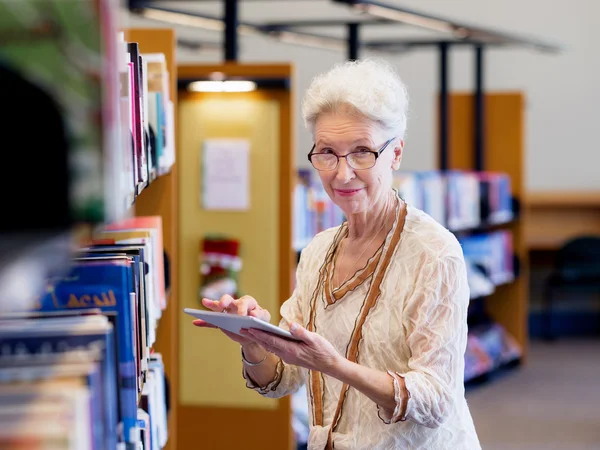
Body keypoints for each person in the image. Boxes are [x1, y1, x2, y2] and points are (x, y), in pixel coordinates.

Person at [193, 58, 481, 450]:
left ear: (395, 153)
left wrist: (335, 367)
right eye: (327, 152)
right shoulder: (318, 251)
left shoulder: (434, 252)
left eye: (362, 152)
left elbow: (435, 400)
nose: (342, 174)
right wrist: (253, 340)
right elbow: (283, 379)